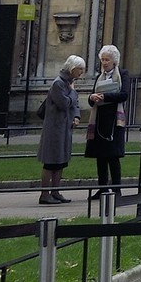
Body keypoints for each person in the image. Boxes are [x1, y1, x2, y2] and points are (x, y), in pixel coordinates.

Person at [38, 55, 87, 204]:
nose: (82, 72)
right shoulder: (58, 83)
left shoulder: (68, 83)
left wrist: (76, 116)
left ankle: (55, 191)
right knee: (50, 162)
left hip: (65, 128)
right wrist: (73, 92)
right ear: (72, 69)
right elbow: (64, 103)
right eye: (80, 69)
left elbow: (75, 104)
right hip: (54, 129)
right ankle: (45, 194)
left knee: (60, 161)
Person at [86, 44, 128, 205]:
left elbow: (124, 94)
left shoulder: (122, 74)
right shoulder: (99, 77)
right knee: (101, 157)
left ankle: (117, 188)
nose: (104, 63)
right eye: (102, 60)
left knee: (113, 156)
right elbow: (92, 97)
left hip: (114, 121)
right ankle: (102, 187)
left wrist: (106, 97)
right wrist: (92, 98)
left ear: (114, 61)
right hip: (99, 120)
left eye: (107, 60)